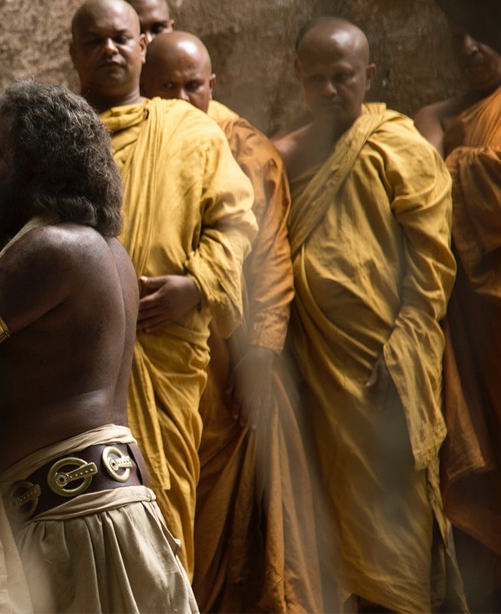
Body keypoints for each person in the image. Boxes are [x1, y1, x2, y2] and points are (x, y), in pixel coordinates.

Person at [0, 80, 197, 613]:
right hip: (110, 512)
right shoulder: (110, 252)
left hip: (71, 530)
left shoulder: (49, 248)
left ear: (31, 167)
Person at [274, 17, 462, 612]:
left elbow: (434, 262)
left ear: (370, 76)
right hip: (317, 370)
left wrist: (404, 347)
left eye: (344, 77)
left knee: (395, 510)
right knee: (329, 518)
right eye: (318, 79)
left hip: (384, 366)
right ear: (298, 80)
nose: (332, 90)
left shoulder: (396, 146)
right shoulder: (284, 156)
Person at [69, 0, 255, 574]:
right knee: (83, 519)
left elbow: (235, 222)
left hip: (166, 353)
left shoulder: (192, 132)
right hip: (75, 362)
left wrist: (196, 285)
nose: (110, 50)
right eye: (94, 41)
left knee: (165, 509)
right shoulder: (53, 134)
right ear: (72, 53)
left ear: (143, 45)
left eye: (122, 38)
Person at [142, 32, 323, 611]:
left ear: (210, 84)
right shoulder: (129, 137)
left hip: (226, 362)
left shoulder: (243, 146)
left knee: (227, 514)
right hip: (143, 353)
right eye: (165, 86)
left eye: (190, 86)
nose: (179, 96)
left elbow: (268, 260)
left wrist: (259, 355)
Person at [419, 31, 501, 612]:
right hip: (475, 321)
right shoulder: (464, 116)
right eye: (456, 32)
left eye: (484, 30)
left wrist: (454, 155)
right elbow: (426, 168)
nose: (468, 45)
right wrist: (449, 131)